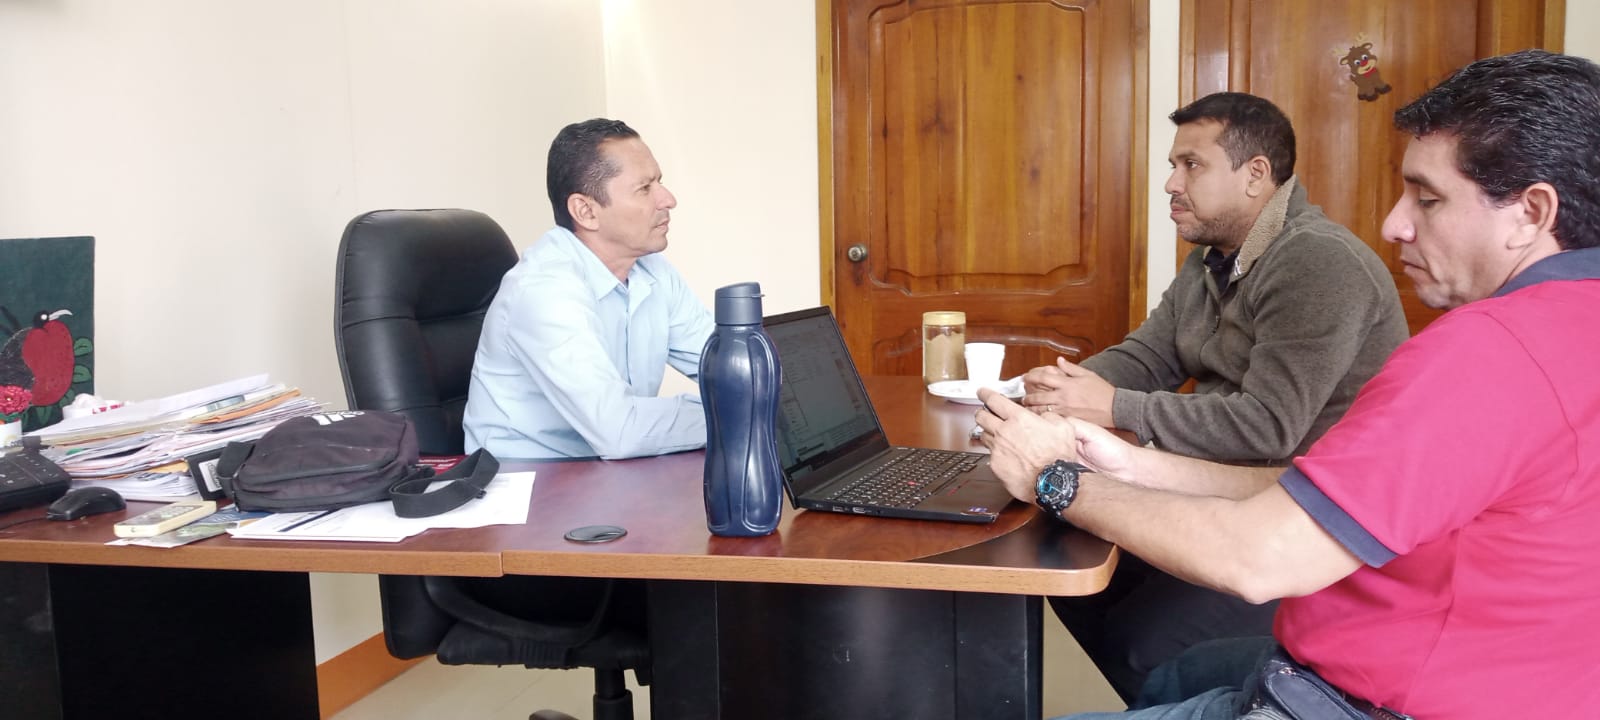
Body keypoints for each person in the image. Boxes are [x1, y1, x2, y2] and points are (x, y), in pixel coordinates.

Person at [977, 49, 1600, 719]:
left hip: (1367, 693)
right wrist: (1126, 461)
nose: (1394, 224)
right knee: (1164, 665)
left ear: (1531, 213)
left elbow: (1261, 553)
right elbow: (1319, 485)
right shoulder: (1567, 325)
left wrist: (1054, 478)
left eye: (1428, 198)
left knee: (1139, 638)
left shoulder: (1483, 347)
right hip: (1465, 657)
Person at [1031, 92, 1409, 701]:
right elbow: (1149, 356)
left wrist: (1114, 407)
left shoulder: (1318, 262)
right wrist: (1056, 391)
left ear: (1255, 174)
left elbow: (1268, 424)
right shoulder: (1214, 259)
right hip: (1215, 489)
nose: (1171, 184)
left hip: (1304, 525)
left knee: (1142, 644)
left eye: (1191, 165)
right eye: (1174, 166)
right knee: (1063, 561)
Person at [464, 118, 714, 459]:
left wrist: (759, 393)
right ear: (585, 211)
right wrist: (734, 414)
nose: (668, 200)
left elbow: (731, 366)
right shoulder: (544, 290)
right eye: (644, 188)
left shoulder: (653, 270)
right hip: (531, 478)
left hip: (608, 470)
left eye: (660, 182)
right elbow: (619, 431)